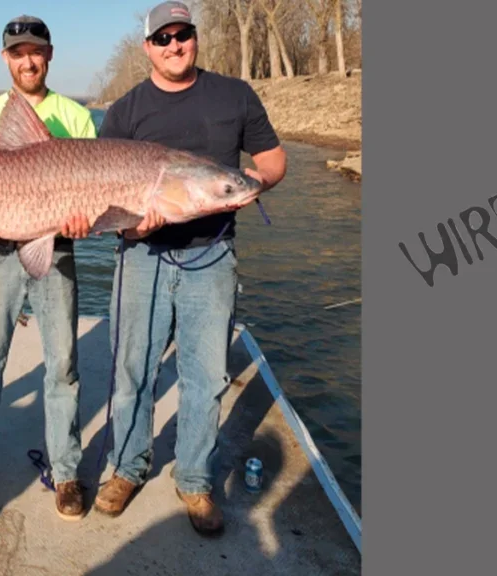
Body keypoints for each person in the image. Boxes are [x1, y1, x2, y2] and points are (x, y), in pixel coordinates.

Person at [92, 1, 287, 536]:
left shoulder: (234, 95)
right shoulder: (127, 111)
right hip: (142, 258)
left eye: (184, 35)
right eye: (163, 38)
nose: (175, 45)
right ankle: (128, 468)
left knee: (206, 378)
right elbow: (106, 205)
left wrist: (251, 184)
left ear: (194, 38)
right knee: (133, 370)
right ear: (148, 47)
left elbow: (272, 161)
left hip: (213, 256)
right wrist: (134, 228)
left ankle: (196, 480)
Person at [0, 15, 97, 521]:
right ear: (5, 58)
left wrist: (83, 219)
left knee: (63, 366)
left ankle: (66, 470)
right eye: (17, 52)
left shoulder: (75, 117)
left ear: (50, 55)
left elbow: (95, 192)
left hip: (58, 253)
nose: (28, 60)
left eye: (36, 51)